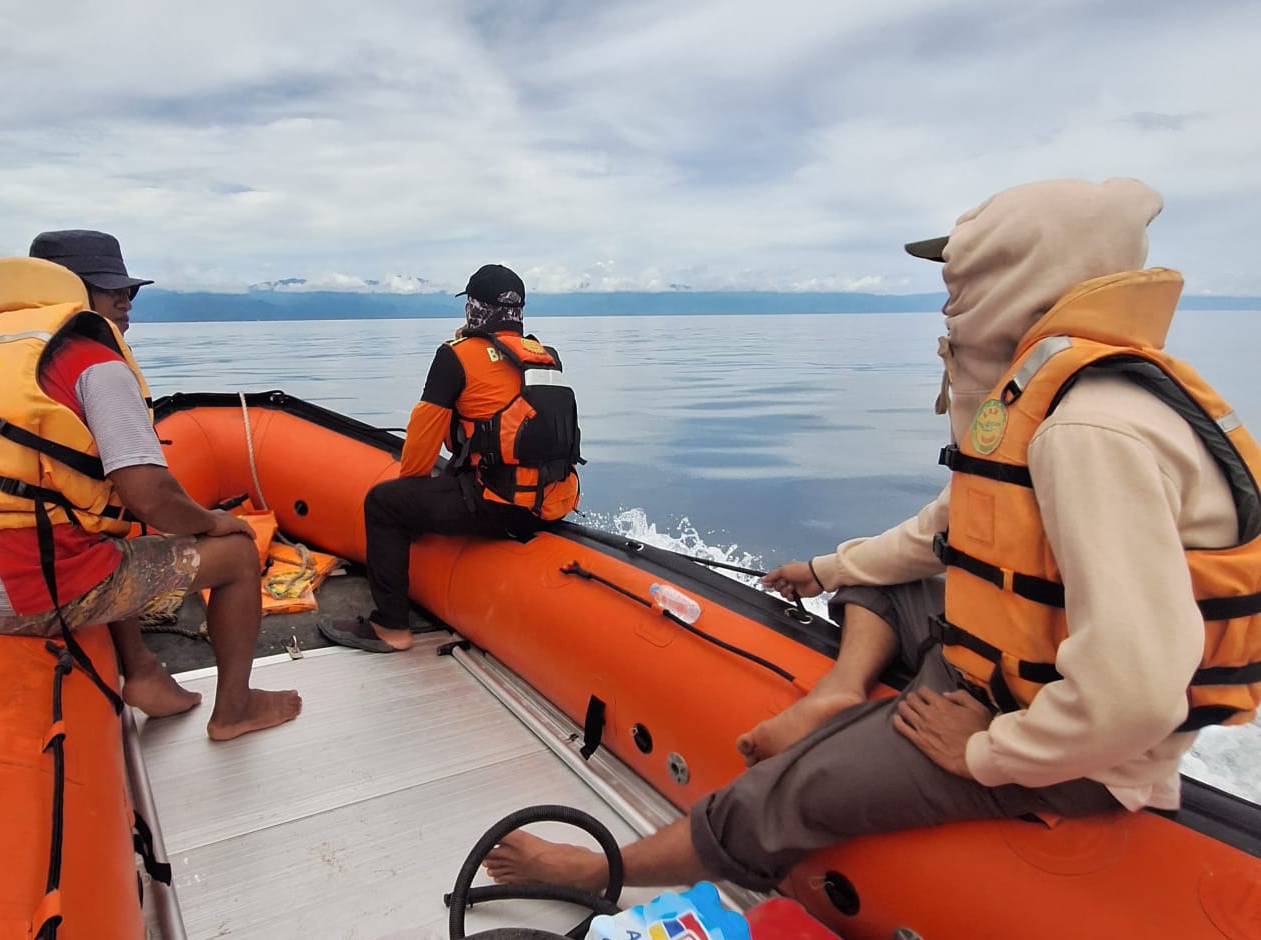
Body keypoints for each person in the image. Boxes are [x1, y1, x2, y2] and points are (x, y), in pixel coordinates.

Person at [483, 178, 1261, 896]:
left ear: (1019, 277)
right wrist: (823, 569)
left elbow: (1136, 695)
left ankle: (592, 870)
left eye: (960, 280)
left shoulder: (1088, 431)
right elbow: (939, 534)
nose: (949, 303)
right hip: (1019, 662)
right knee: (876, 572)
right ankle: (840, 689)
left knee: (797, 787)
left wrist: (985, 751)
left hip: (1067, 740)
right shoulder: (1072, 399)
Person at [0, 230, 301, 741]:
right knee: (237, 553)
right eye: (111, 289)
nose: (126, 301)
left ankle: (142, 672)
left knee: (101, 531)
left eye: (130, 290)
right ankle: (235, 709)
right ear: (67, 290)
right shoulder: (95, 364)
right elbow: (149, 496)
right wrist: (215, 522)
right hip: (30, 591)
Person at [319, 263, 582, 653]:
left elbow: (420, 454)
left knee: (383, 503)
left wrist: (410, 495)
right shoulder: (546, 357)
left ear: (475, 307)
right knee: (452, 483)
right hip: (551, 503)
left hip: (497, 506)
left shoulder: (454, 356)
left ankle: (390, 627)